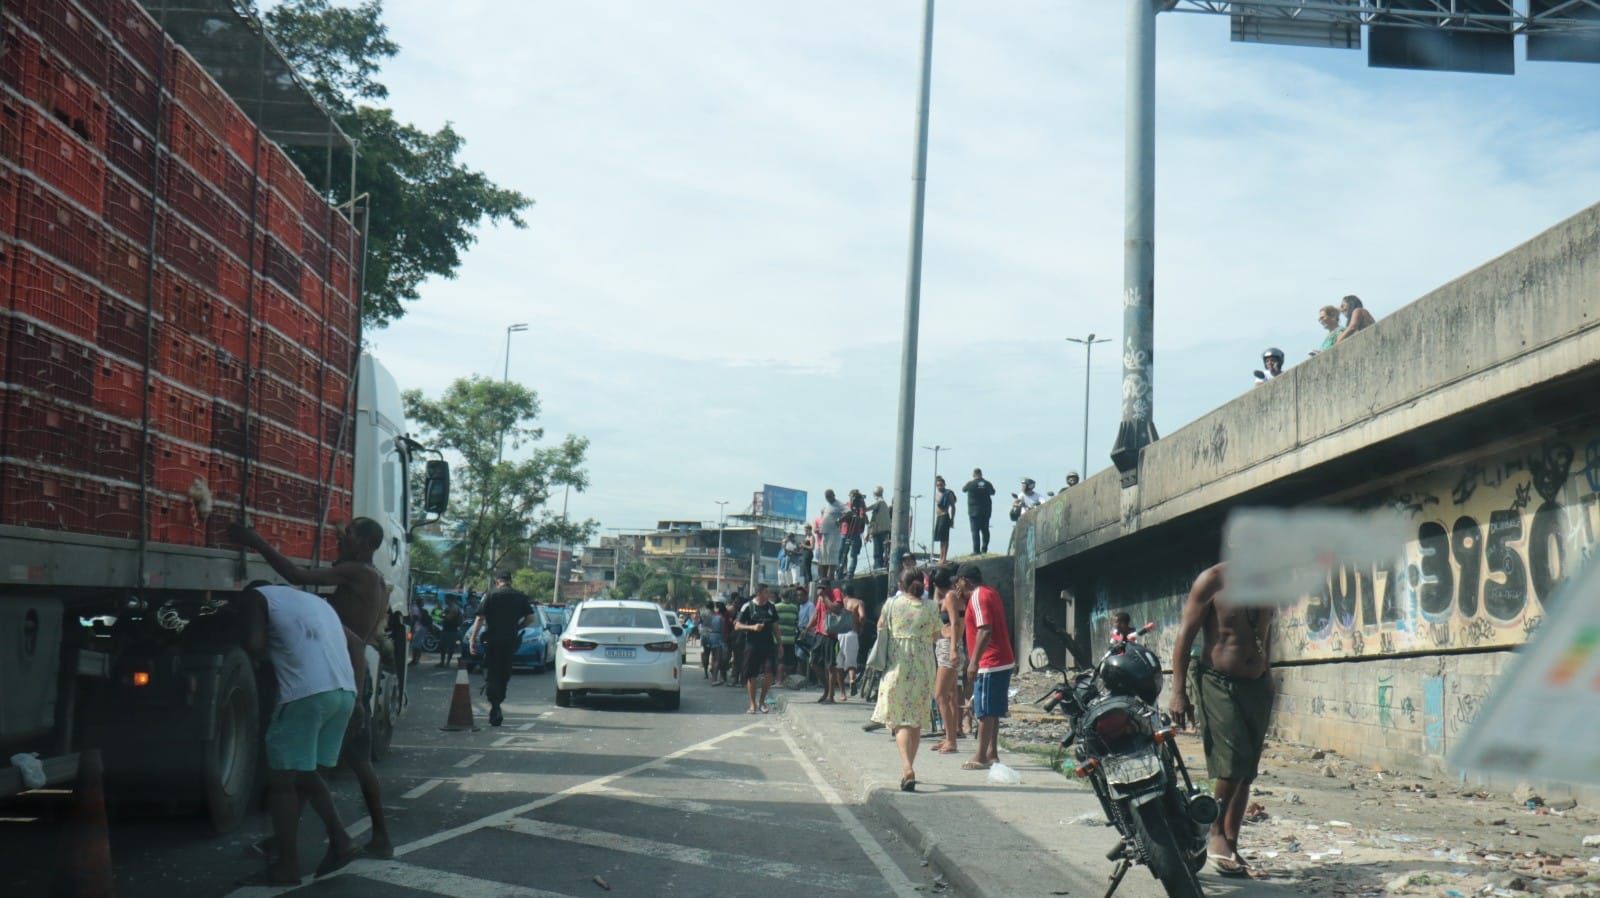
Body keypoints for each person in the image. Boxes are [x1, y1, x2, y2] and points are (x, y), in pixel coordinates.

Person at [227, 518, 392, 859]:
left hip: (344, 669)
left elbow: (297, 576)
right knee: (313, 766)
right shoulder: (371, 576)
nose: (339, 544)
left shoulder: (357, 572)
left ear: (364, 545)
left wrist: (256, 541)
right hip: (345, 670)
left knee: (323, 765)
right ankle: (297, 838)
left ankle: (361, 838)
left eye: (346, 538)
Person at [238, 584, 361, 884]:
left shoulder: (255, 597)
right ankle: (341, 841)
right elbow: (357, 644)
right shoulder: (313, 603)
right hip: (343, 693)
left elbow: (254, 646)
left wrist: (261, 643)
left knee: (282, 782)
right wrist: (360, 697)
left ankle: (287, 867)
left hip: (305, 695)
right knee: (305, 775)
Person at [1168, 562, 1274, 878]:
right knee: (1230, 761)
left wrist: (1267, 674)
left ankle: (1231, 841)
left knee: (1246, 771)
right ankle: (1214, 834)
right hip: (1217, 680)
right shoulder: (1212, 581)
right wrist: (1178, 691)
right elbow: (1185, 637)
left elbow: (1267, 632)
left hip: (1257, 685)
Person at [870, 569, 942, 792]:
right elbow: (936, 635)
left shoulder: (891, 604)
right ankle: (909, 768)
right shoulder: (931, 607)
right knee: (916, 720)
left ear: (902, 585)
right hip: (923, 667)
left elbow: (880, 627)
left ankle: (906, 767)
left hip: (897, 666)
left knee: (900, 721)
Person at [959, 564, 1013, 771]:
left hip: (989, 662)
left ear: (964, 580)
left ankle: (981, 755)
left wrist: (973, 662)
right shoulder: (991, 593)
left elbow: (985, 629)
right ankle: (992, 753)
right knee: (994, 710)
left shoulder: (978, 596)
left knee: (984, 712)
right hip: (1001, 660)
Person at [468, 573, 534, 727]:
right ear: (510, 582)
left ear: (497, 581)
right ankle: (498, 701)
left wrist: (472, 638)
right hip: (510, 640)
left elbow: (479, 618)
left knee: (491, 671)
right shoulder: (520, 596)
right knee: (504, 672)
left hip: (491, 640)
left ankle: (494, 704)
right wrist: (517, 627)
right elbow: (531, 618)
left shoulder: (490, 595)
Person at [931, 565, 967, 755]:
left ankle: (951, 740)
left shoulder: (952, 597)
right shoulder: (949, 596)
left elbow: (954, 622)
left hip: (948, 646)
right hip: (945, 645)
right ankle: (949, 736)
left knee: (940, 695)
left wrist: (953, 648)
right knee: (950, 695)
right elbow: (937, 602)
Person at [735, 583, 781, 713]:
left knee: (769, 673)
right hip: (752, 645)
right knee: (751, 675)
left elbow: (775, 627)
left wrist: (780, 644)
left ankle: (762, 701)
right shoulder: (748, 607)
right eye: (766, 592)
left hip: (768, 645)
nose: (768, 595)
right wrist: (752, 628)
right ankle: (752, 704)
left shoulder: (771, 607)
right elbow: (737, 625)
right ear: (758, 593)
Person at [812, 580, 844, 703]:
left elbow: (836, 608)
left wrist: (825, 596)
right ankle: (826, 689)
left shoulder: (835, 593)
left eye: (823, 588)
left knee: (830, 666)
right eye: (819, 588)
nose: (821, 590)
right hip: (819, 633)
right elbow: (816, 614)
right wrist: (807, 629)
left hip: (831, 634)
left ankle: (831, 695)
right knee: (814, 663)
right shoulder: (819, 598)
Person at [962, 468, 996, 555]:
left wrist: (974, 482)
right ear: (981, 474)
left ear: (974, 475)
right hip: (986, 511)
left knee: (975, 531)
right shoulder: (987, 483)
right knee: (985, 530)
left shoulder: (971, 484)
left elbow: (964, 489)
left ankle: (976, 551)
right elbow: (993, 492)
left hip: (974, 511)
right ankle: (984, 549)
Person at [839, 489, 868, 579]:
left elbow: (864, 519)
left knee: (853, 555)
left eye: (855, 496)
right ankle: (841, 571)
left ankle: (849, 574)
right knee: (842, 553)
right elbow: (841, 518)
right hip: (844, 532)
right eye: (853, 496)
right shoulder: (845, 506)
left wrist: (861, 505)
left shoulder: (860, 507)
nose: (854, 499)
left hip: (855, 533)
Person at [818, 491, 845, 581]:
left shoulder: (839, 504)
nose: (828, 498)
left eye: (829, 496)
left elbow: (849, 513)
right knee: (823, 558)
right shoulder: (828, 505)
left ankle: (830, 579)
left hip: (834, 534)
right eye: (827, 497)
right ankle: (823, 578)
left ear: (833, 495)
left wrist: (839, 520)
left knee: (831, 559)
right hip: (825, 534)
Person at [776, 587, 800, 683]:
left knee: (781, 660)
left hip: (779, 638)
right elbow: (796, 621)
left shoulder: (776, 607)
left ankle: (779, 681)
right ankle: (788, 680)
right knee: (789, 661)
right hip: (791, 638)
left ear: (780, 596)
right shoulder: (794, 608)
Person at [698, 600, 724, 684]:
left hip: (704, 634)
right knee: (715, 656)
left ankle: (705, 673)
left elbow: (699, 623)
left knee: (706, 653)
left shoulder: (703, 614)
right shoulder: (716, 615)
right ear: (713, 606)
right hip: (714, 634)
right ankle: (714, 675)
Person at [932, 476, 956, 563]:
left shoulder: (948, 493)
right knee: (940, 538)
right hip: (938, 517)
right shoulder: (937, 494)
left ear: (944, 484)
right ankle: (941, 557)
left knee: (945, 538)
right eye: (938, 485)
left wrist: (952, 519)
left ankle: (944, 558)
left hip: (945, 516)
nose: (939, 486)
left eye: (941, 485)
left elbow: (953, 506)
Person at [867, 487, 892, 571]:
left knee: (877, 552)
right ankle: (880, 565)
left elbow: (868, 509)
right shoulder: (885, 504)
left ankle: (878, 567)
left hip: (878, 532)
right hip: (885, 531)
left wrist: (863, 508)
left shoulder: (879, 503)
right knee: (882, 550)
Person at [438, 600, 463, 668]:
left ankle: (446, 662)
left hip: (451, 630)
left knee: (450, 647)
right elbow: (441, 615)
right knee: (443, 647)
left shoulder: (454, 609)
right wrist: (444, 615)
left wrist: (444, 615)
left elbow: (448, 618)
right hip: (448, 629)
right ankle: (443, 662)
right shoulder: (448, 608)